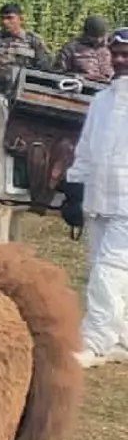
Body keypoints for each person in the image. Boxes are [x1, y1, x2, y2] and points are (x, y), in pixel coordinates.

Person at [59, 27, 128, 369]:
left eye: (126, 55)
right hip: (100, 200)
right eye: (115, 53)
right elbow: (86, 149)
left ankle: (95, 340)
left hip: (127, 205)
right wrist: (74, 188)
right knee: (100, 267)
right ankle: (120, 335)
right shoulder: (101, 100)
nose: (119, 60)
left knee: (109, 270)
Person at [0, 2, 48, 91]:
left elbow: (43, 69)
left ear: (21, 19)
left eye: (10, 18)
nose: (5, 22)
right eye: (2, 18)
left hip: (23, 90)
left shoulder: (33, 41)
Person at [56, 16, 115, 83]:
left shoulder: (112, 47)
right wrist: (76, 76)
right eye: (94, 37)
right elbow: (58, 73)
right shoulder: (71, 49)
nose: (98, 40)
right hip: (84, 86)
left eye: (101, 36)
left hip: (111, 87)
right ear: (86, 34)